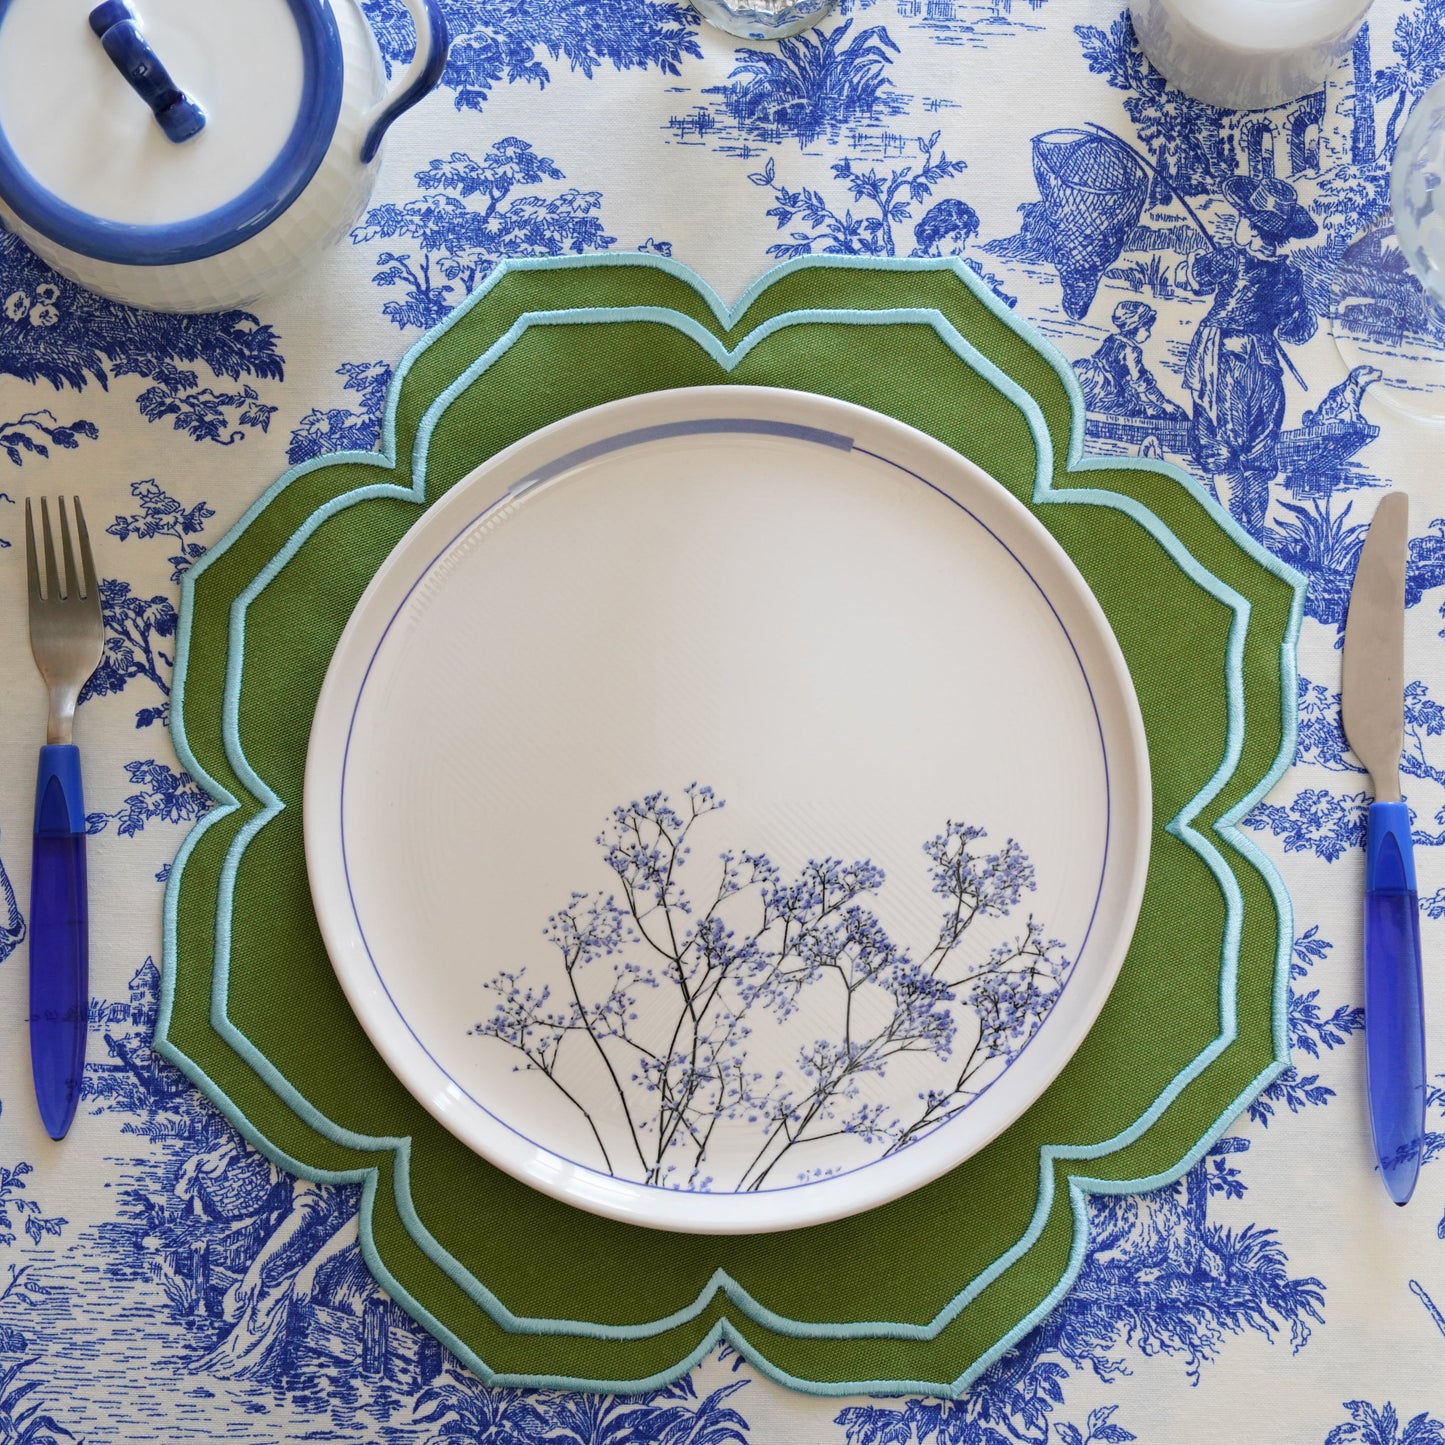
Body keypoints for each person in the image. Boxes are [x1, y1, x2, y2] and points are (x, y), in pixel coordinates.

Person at [1178, 175, 1318, 536]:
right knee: (1257, 458)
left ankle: (1234, 539)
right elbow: (1299, 331)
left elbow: (1193, 279)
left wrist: (1200, 262)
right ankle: (1253, 537)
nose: (1236, 222)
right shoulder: (1289, 275)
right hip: (1266, 374)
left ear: (1252, 228)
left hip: (1223, 366)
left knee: (1221, 453)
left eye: (1241, 217)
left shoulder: (1230, 260)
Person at [1073, 300, 1187, 420]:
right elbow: (1142, 382)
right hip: (1108, 390)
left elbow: (1118, 372)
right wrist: (1164, 403)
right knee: (1145, 412)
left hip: (1091, 379)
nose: (1148, 333)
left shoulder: (1112, 339)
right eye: (1147, 329)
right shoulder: (1132, 351)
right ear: (1135, 327)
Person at [912, 199, 1018, 308]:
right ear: (936, 233)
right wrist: (981, 289)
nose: (961, 247)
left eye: (964, 239)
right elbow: (944, 306)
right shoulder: (916, 267)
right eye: (956, 237)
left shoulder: (946, 266)